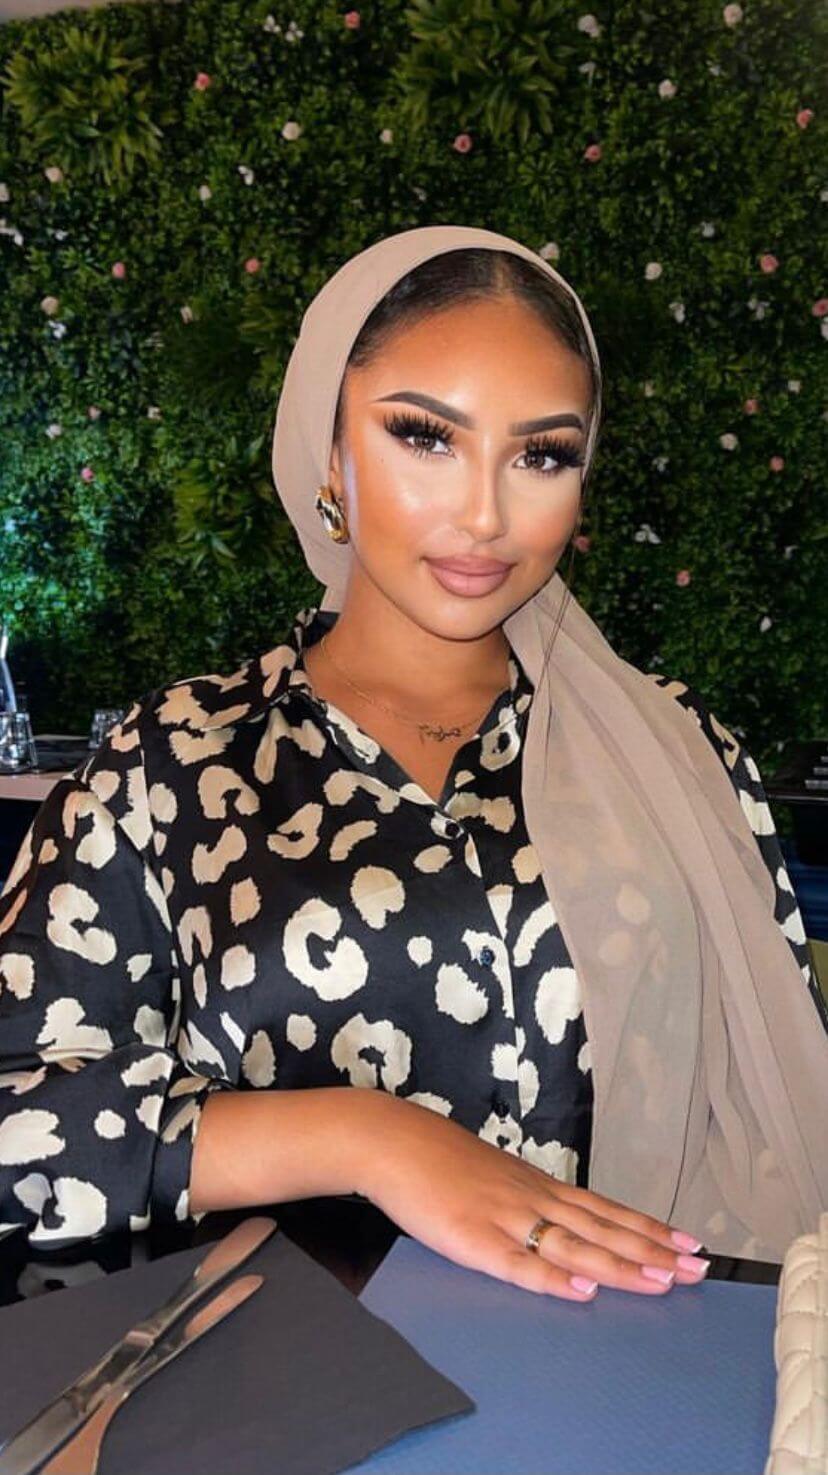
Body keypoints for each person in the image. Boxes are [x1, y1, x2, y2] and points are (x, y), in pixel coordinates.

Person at [1, 227, 826, 1304]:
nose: (485, 514)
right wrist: (367, 1136)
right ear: (329, 451)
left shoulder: (680, 752)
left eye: (542, 454)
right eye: (425, 437)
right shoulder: (175, 763)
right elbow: (19, 1114)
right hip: (288, 1384)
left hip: (624, 1371)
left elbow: (780, 1107)